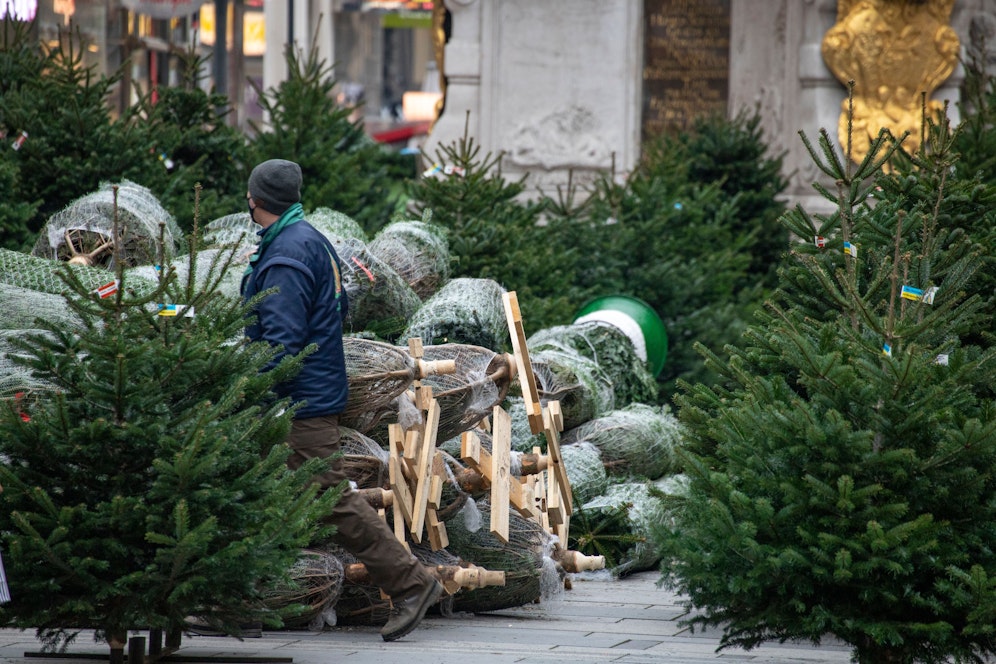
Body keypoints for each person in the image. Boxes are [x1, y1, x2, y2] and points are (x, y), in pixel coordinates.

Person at [240, 159, 443, 642]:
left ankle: (411, 583)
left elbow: (283, 343)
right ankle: (247, 600)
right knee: (267, 492)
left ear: (255, 200)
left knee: (330, 497)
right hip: (309, 392)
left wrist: (246, 385)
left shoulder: (287, 253)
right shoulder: (310, 240)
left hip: (300, 401)